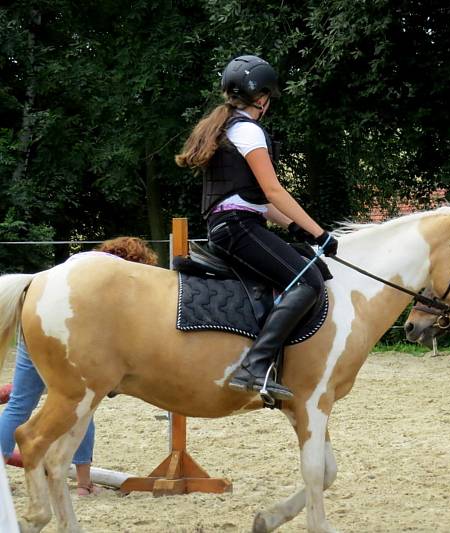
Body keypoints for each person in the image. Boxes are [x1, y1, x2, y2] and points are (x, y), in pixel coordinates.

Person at [175, 54, 337, 403]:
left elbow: (258, 203)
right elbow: (273, 191)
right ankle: (255, 365)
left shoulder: (228, 128)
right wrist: (320, 233)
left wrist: (296, 227)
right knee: (306, 280)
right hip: (237, 228)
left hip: (235, 223)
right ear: (261, 98)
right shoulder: (247, 130)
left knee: (305, 264)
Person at [0, 237, 159, 496]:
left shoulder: (80, 261)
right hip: (68, 336)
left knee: (19, 403)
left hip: (34, 329)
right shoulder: (114, 276)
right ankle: (84, 483)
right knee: (84, 405)